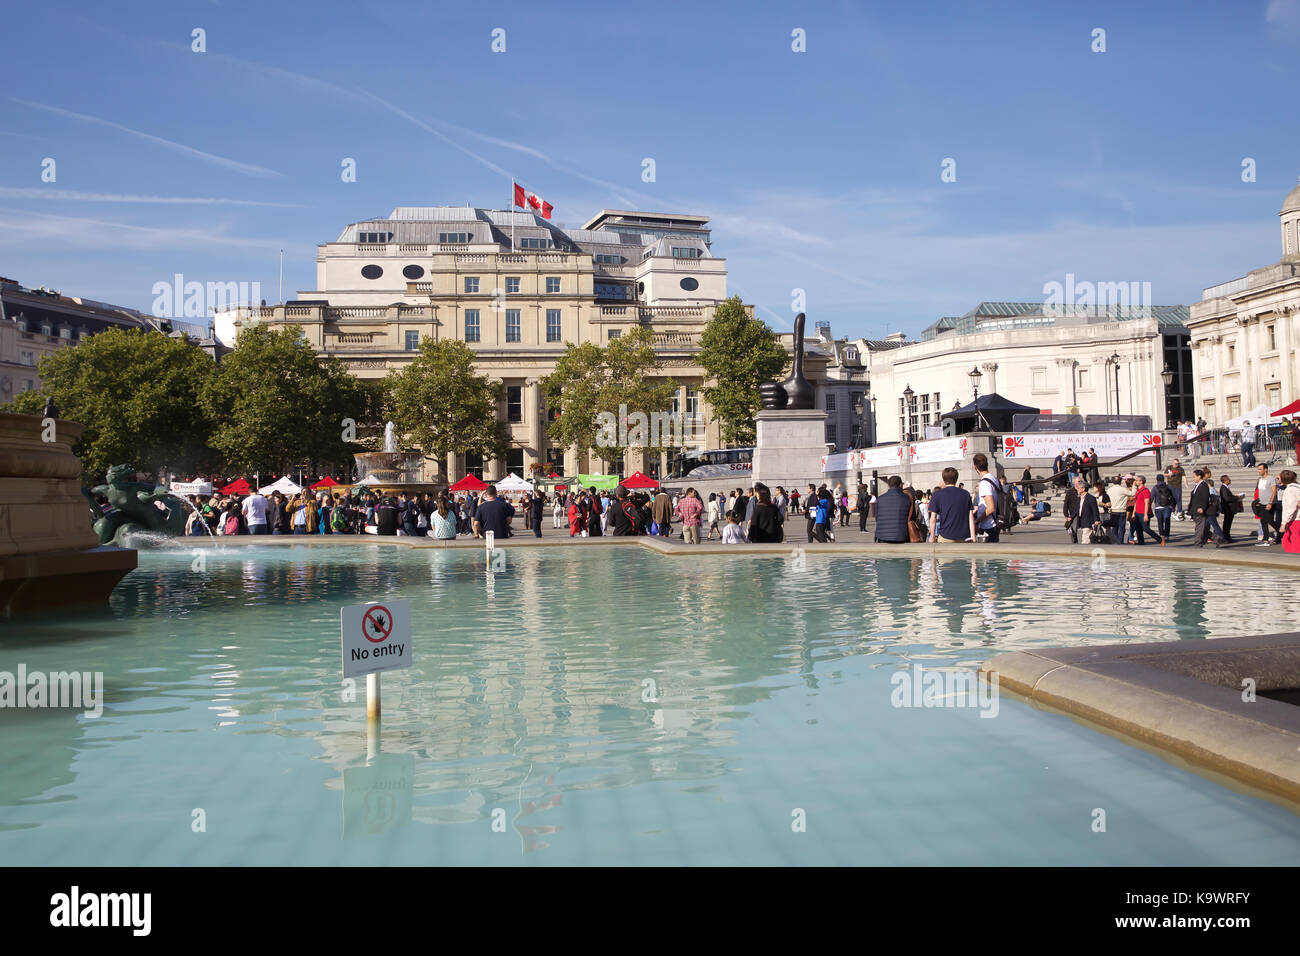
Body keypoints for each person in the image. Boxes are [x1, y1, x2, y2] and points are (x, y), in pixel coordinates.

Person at [928, 467, 975, 543]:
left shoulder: (937, 495)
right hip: (964, 535)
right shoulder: (965, 494)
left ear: (944, 479)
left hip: (945, 535)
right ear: (956, 478)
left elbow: (933, 518)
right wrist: (973, 536)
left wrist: (932, 535)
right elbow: (971, 517)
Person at [973, 453, 1002, 543]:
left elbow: (990, 508)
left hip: (988, 525)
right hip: (994, 522)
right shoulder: (994, 478)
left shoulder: (985, 483)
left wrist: (977, 521)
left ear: (975, 467)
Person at [873, 475, 911, 543]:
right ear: (900, 485)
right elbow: (911, 516)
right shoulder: (906, 498)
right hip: (901, 535)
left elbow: (877, 517)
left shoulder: (880, 498)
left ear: (888, 485)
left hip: (882, 535)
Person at [1255, 463, 1281, 546]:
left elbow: (1274, 491)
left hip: (1269, 503)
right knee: (1263, 521)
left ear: (1265, 469)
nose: (1259, 471)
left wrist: (1270, 502)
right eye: (1258, 469)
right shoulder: (1259, 479)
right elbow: (1260, 491)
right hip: (1261, 503)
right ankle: (1265, 539)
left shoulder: (1271, 478)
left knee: (1270, 520)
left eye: (1260, 469)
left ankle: (1281, 532)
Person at [1131, 475, 1160, 546]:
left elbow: (1147, 503)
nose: (1136, 482)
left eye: (1137, 480)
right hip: (1138, 512)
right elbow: (1136, 503)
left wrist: (1146, 514)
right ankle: (1141, 542)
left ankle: (1159, 539)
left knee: (1146, 528)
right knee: (1138, 528)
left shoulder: (1145, 491)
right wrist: (1134, 513)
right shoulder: (1138, 491)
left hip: (1143, 512)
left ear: (1141, 481)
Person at [1151, 473, 1175, 544]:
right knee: (1167, 521)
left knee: (1160, 522)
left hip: (1158, 507)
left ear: (1157, 479)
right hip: (1167, 507)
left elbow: (1151, 498)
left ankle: (1162, 535)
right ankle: (1167, 535)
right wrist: (1173, 506)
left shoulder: (1155, 487)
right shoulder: (1168, 486)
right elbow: (1174, 496)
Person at [1219, 474, 1241, 543]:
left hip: (1229, 509)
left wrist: (1234, 496)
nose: (1230, 480)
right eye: (1229, 479)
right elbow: (1226, 498)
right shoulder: (1223, 488)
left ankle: (1227, 537)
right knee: (1227, 524)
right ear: (1226, 480)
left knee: (1228, 523)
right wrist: (1236, 498)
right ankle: (1226, 537)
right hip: (1228, 509)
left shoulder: (1226, 487)